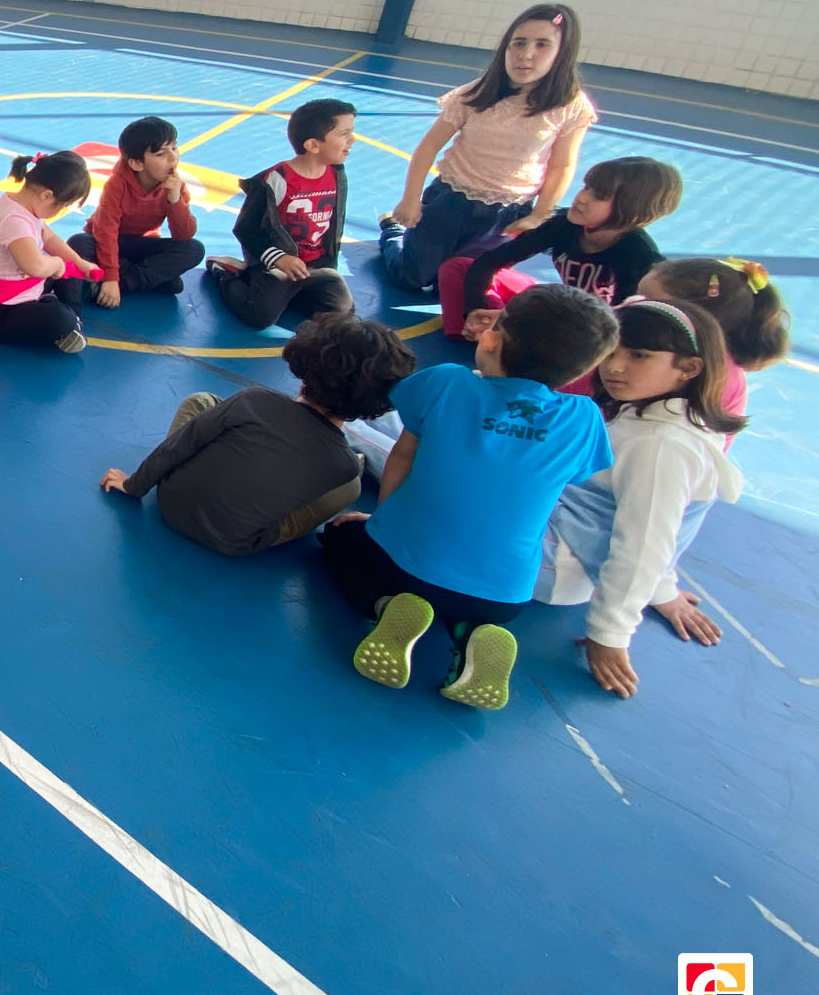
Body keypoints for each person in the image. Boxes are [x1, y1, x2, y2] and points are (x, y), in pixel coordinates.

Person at [318, 285, 619, 711]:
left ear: (491, 338)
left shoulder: (445, 382)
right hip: (504, 596)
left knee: (340, 538)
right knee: (467, 591)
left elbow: (402, 455)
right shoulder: (584, 420)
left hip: (400, 565)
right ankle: (471, 633)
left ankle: (384, 606)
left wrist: (382, 520)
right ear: (584, 368)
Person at [535, 298, 746, 698]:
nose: (614, 366)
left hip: (554, 562)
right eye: (611, 352)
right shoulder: (667, 418)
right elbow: (659, 521)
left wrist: (609, 635)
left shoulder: (659, 445)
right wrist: (661, 590)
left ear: (688, 368)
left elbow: (644, 543)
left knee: (440, 478)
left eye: (639, 356)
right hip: (567, 547)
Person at [100, 315, 416, 555]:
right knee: (349, 487)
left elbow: (183, 442)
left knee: (201, 402)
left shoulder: (255, 401)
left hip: (171, 499)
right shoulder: (344, 465)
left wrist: (134, 485)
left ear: (307, 362)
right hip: (236, 541)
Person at [380, 3, 598, 291]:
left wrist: (539, 214)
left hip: (507, 212)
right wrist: (410, 200)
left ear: (563, 53)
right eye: (518, 43)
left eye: (542, 45)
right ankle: (392, 231)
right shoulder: (476, 94)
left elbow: (562, 165)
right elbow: (428, 146)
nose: (526, 55)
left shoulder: (570, 106)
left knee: (459, 282)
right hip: (450, 201)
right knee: (413, 278)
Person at [443, 156, 681, 340]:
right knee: (459, 267)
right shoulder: (564, 225)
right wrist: (475, 310)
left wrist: (514, 318)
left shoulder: (638, 257)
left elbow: (618, 325)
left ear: (631, 209)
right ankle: (479, 333)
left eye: (599, 196)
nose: (582, 198)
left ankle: (505, 339)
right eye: (586, 187)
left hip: (590, 330)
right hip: (563, 306)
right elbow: (490, 262)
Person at [207, 99, 358, 329]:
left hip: (317, 264)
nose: (352, 140)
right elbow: (245, 229)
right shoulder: (273, 181)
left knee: (342, 316)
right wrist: (279, 258)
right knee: (260, 316)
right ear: (313, 145)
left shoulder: (336, 174)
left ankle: (291, 292)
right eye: (344, 133)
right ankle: (227, 272)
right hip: (278, 264)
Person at [0, 150, 103, 353]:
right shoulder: (14, 221)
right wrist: (58, 265)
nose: (60, 212)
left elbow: (49, 238)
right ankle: (68, 320)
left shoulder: (25, 205)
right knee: (60, 318)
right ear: (47, 196)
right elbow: (35, 267)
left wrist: (79, 263)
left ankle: (72, 315)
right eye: (62, 206)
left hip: (24, 288)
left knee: (70, 269)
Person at [68, 116, 205, 305]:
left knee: (194, 249)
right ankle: (151, 280)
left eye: (174, 148)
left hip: (138, 245)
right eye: (161, 154)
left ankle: (125, 283)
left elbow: (184, 235)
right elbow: (105, 233)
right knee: (78, 242)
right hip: (107, 243)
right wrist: (110, 277)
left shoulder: (175, 185)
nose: (173, 158)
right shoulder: (117, 185)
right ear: (137, 164)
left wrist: (174, 200)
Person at [634, 257, 791, 421]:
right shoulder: (678, 347)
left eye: (650, 303)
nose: (631, 305)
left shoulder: (714, 376)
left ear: (699, 317)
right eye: (637, 295)